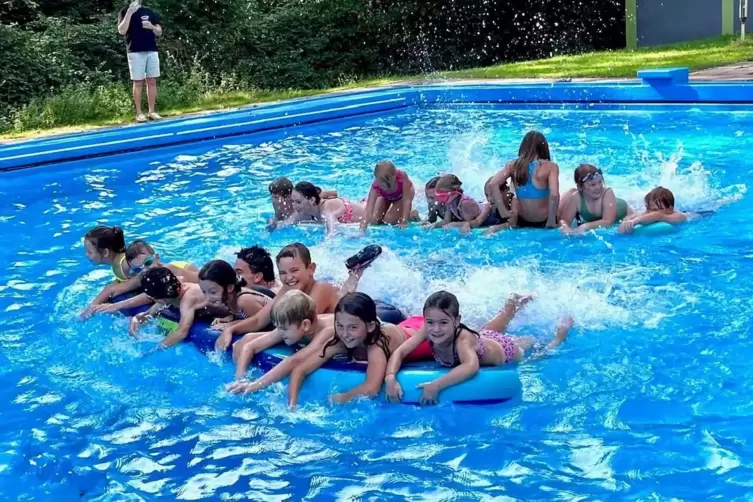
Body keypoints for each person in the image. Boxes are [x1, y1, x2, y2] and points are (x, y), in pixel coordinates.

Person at [385, 291, 572, 405]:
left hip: (504, 350)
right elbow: (400, 351)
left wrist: (436, 385)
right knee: (485, 333)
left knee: (538, 353)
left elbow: (470, 366)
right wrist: (391, 377)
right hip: (483, 340)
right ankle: (512, 304)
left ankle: (560, 334)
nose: (435, 329)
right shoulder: (429, 329)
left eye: (443, 322)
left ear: (457, 321)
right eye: (430, 322)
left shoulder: (462, 339)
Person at [219, 243, 371, 356]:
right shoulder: (287, 289)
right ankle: (354, 271)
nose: (289, 278)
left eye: (294, 271)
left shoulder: (321, 289)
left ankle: (355, 272)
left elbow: (297, 327)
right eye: (283, 273)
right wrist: (231, 329)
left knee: (343, 296)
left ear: (310, 269)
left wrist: (250, 342)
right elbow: (259, 320)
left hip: (342, 311)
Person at [225, 290, 335, 384]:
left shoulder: (328, 331)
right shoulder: (290, 326)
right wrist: (240, 379)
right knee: (246, 339)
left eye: (283, 329)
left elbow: (294, 361)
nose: (280, 332)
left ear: (305, 325)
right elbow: (249, 347)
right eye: (278, 327)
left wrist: (256, 385)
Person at [89, 239, 199, 314]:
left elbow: (149, 296)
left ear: (156, 258)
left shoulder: (167, 272)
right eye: (138, 268)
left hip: (187, 271)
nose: (146, 269)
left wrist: (115, 306)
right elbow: (112, 289)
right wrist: (92, 307)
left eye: (148, 263)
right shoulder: (143, 274)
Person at [129, 267, 209, 355]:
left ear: (161, 299)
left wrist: (152, 352)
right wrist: (135, 319)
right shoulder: (173, 289)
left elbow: (181, 333)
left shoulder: (188, 299)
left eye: (151, 297)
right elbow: (149, 313)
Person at [488, 131, 560, 229]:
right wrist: (551, 220)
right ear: (543, 147)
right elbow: (554, 195)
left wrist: (503, 211)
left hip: (523, 220)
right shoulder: (551, 167)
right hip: (543, 220)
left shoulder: (513, 165)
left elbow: (493, 184)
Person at [199, 260, 274, 349]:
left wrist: (231, 325)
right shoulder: (229, 298)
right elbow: (246, 316)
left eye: (213, 292)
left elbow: (261, 324)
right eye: (204, 292)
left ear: (230, 287)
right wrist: (231, 318)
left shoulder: (244, 300)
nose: (208, 297)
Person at [117, 1, 163, 123]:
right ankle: (139, 113)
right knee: (138, 82)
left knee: (152, 81)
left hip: (151, 50)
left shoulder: (149, 11)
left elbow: (159, 31)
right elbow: (121, 31)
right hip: (135, 51)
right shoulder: (124, 11)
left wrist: (152, 27)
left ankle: (152, 111)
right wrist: (129, 13)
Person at [559, 164, 632, 235]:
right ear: (580, 187)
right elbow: (565, 220)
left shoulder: (607, 192)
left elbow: (608, 222)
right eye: (592, 185)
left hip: (627, 216)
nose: (598, 187)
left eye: (600, 182)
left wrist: (585, 226)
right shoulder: (576, 198)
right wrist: (565, 227)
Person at [81, 225, 130, 318]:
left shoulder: (125, 264)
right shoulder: (117, 262)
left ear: (105, 252)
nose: (86, 254)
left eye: (90, 252)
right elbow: (120, 281)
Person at [285, 182, 367, 235]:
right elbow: (287, 224)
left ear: (312, 200)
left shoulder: (326, 211)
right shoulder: (306, 209)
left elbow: (332, 235)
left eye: (298, 202)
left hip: (371, 209)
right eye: (293, 201)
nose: (294, 206)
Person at [360, 160, 419, 231]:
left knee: (389, 220)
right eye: (378, 182)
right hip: (386, 197)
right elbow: (368, 210)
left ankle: (412, 214)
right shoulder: (376, 186)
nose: (379, 185)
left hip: (402, 196)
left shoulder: (402, 176)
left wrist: (404, 220)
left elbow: (407, 200)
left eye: (382, 184)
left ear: (393, 178)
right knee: (374, 220)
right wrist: (362, 230)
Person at [268, 177, 337, 228]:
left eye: (276, 197)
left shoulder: (302, 202)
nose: (273, 200)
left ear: (288, 196)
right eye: (273, 197)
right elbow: (277, 218)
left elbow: (332, 194)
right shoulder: (277, 205)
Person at [618, 187, 689, 234]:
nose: (650, 212)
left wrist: (635, 221)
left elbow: (658, 215)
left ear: (670, 209)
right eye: (648, 208)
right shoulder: (649, 212)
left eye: (655, 209)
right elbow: (636, 215)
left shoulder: (679, 216)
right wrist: (626, 221)